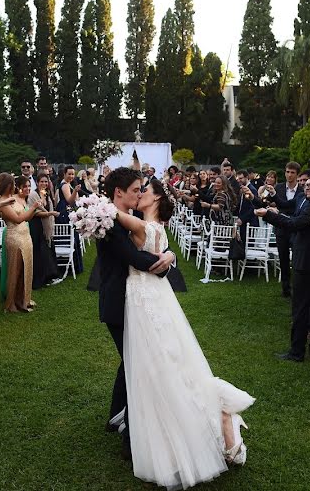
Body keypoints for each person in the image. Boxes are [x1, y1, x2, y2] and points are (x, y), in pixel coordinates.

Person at [114, 178, 255, 486]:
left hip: (147, 300)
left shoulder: (143, 226)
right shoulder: (153, 227)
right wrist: (171, 255)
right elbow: (158, 248)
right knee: (160, 366)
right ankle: (187, 425)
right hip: (146, 298)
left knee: (162, 366)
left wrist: (90, 204)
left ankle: (219, 416)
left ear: (156, 199)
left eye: (144, 192)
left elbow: (113, 213)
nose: (139, 195)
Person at [97, 168, 175, 461]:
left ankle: (118, 418)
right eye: (135, 190)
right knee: (135, 365)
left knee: (130, 362)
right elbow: (136, 259)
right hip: (119, 303)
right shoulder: (110, 222)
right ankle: (132, 436)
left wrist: (170, 255)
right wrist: (167, 261)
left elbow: (152, 240)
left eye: (143, 190)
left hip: (135, 301)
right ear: (119, 192)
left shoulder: (125, 220)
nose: (139, 194)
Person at [256, 174, 310, 361]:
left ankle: (297, 352)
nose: (307, 188)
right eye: (306, 185)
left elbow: (294, 225)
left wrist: (269, 215)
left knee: (301, 308)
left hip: (309, 264)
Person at [0, 174, 43, 313]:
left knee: (27, 268)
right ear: (7, 185)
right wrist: (33, 207)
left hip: (25, 235)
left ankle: (24, 299)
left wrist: (33, 208)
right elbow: (17, 219)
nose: (15, 187)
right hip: (14, 237)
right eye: (13, 185)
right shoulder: (2, 201)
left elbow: (26, 218)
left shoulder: (13, 199)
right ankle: (12, 303)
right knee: (16, 270)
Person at [269, 162, 303, 297]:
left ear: (297, 174)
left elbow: (290, 206)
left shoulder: (302, 190)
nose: (289, 175)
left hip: (295, 227)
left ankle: (297, 286)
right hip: (281, 228)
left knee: (296, 258)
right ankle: (285, 288)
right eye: (287, 172)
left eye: (292, 172)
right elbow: (277, 203)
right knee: (283, 258)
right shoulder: (279, 187)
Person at [28, 172, 60, 289]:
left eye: (46, 181)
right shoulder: (33, 195)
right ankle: (38, 280)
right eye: (42, 181)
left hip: (46, 227)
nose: (44, 183)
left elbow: (49, 206)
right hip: (36, 225)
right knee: (39, 253)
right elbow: (34, 212)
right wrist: (50, 213)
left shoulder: (46, 194)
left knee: (47, 252)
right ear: (37, 182)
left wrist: (50, 214)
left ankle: (49, 276)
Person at [56, 165, 84, 274]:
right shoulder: (65, 185)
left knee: (72, 235)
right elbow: (70, 201)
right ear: (64, 174)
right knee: (69, 235)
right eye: (69, 174)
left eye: (73, 174)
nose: (71, 176)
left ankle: (72, 264)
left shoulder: (68, 184)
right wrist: (75, 192)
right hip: (65, 211)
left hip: (67, 210)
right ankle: (67, 266)